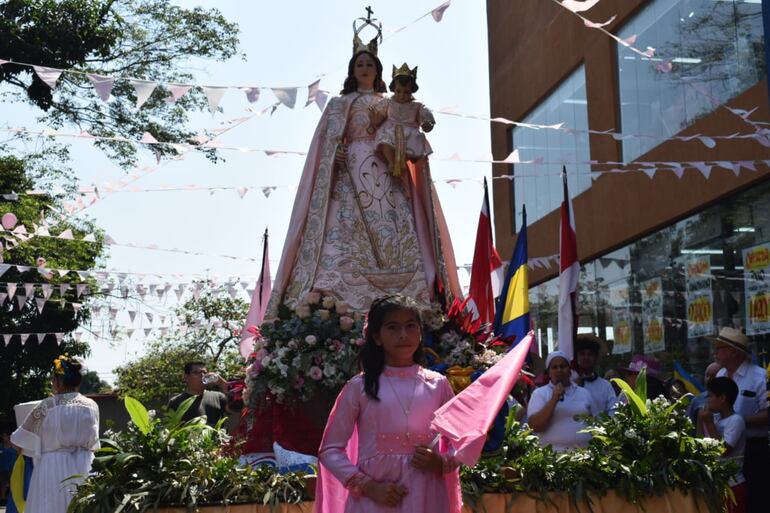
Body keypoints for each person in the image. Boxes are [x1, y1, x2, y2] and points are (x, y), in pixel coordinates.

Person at [266, 12, 460, 315]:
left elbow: (407, 124)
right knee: (344, 228)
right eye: (360, 64)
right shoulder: (339, 104)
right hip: (350, 173)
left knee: (396, 226)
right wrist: (334, 155)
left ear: (378, 69)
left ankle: (410, 292)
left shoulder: (391, 101)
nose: (365, 68)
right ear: (352, 70)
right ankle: (337, 294)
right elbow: (325, 143)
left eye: (370, 64)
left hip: (388, 170)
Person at [315, 294, 461, 513]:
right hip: (373, 502)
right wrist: (368, 486)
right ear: (377, 336)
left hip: (428, 498)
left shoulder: (438, 385)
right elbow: (330, 450)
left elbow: (462, 440)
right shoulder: (359, 387)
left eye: (411, 326)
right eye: (393, 327)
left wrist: (440, 463)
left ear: (420, 333)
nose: (403, 335)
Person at [10, 355, 99, 513]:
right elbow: (94, 441)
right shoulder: (92, 406)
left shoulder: (47, 405)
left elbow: (19, 439)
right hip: (84, 464)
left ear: (59, 381)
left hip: (52, 467)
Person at [708, 327, 768, 513]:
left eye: (719, 348)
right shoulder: (720, 375)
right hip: (724, 448)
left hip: (753, 448)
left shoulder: (759, 377)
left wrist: (739, 421)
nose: (715, 353)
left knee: (756, 499)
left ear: (733, 352)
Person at [368, 62, 434, 177]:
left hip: (409, 133)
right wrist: (374, 116)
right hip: (390, 131)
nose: (402, 95)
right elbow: (378, 115)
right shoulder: (388, 101)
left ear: (412, 91)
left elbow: (426, 115)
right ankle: (391, 162)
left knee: (416, 140)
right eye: (399, 91)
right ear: (394, 89)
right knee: (385, 140)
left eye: (406, 92)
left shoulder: (417, 105)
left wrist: (427, 124)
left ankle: (402, 162)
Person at [697, 377, 746, 513]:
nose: (708, 399)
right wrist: (700, 421)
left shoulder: (736, 420)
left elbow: (723, 450)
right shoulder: (716, 419)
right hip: (715, 484)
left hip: (732, 484)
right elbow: (699, 443)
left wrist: (709, 423)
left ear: (722, 398)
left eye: (711, 395)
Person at [527, 350, 594, 451]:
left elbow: (595, 423)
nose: (559, 370)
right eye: (554, 367)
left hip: (584, 455)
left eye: (563, 366)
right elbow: (535, 426)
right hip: (552, 458)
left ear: (570, 370)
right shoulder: (540, 394)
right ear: (549, 372)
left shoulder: (584, 393)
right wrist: (554, 399)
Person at [167, 361, 231, 428]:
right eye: (196, 373)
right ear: (186, 377)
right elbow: (170, 428)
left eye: (205, 373)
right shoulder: (175, 402)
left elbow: (234, 409)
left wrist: (223, 384)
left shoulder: (218, 397)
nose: (202, 375)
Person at [574, 334, 617, 415]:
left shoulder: (605, 386)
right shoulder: (569, 384)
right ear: (576, 357)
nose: (586, 357)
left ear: (596, 358)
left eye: (590, 354)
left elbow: (613, 412)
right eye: (582, 354)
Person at [686, 362, 721, 428]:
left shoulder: (726, 399)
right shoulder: (697, 400)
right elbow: (688, 425)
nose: (709, 379)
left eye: (713, 376)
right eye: (707, 376)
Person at [0, 427, 17, 506]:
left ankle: (13, 499)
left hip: (13, 469)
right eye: (3, 436)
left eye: (5, 436)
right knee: (3, 484)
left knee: (13, 484)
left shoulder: (14, 447)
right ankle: (3, 499)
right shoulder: (1, 446)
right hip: (2, 469)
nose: (4, 438)